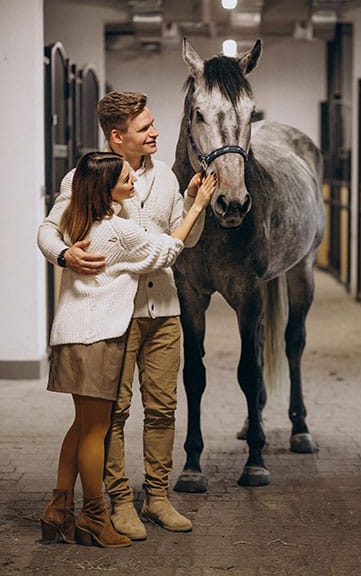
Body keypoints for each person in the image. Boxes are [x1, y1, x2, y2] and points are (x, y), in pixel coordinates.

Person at [37, 91, 209, 540]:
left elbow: (182, 242)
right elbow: (48, 229)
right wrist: (64, 255)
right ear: (117, 136)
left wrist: (193, 205)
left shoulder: (169, 177)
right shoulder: (85, 178)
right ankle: (119, 502)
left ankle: (158, 496)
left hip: (165, 308)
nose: (155, 132)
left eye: (153, 124)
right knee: (113, 412)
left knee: (164, 408)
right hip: (119, 313)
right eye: (145, 127)